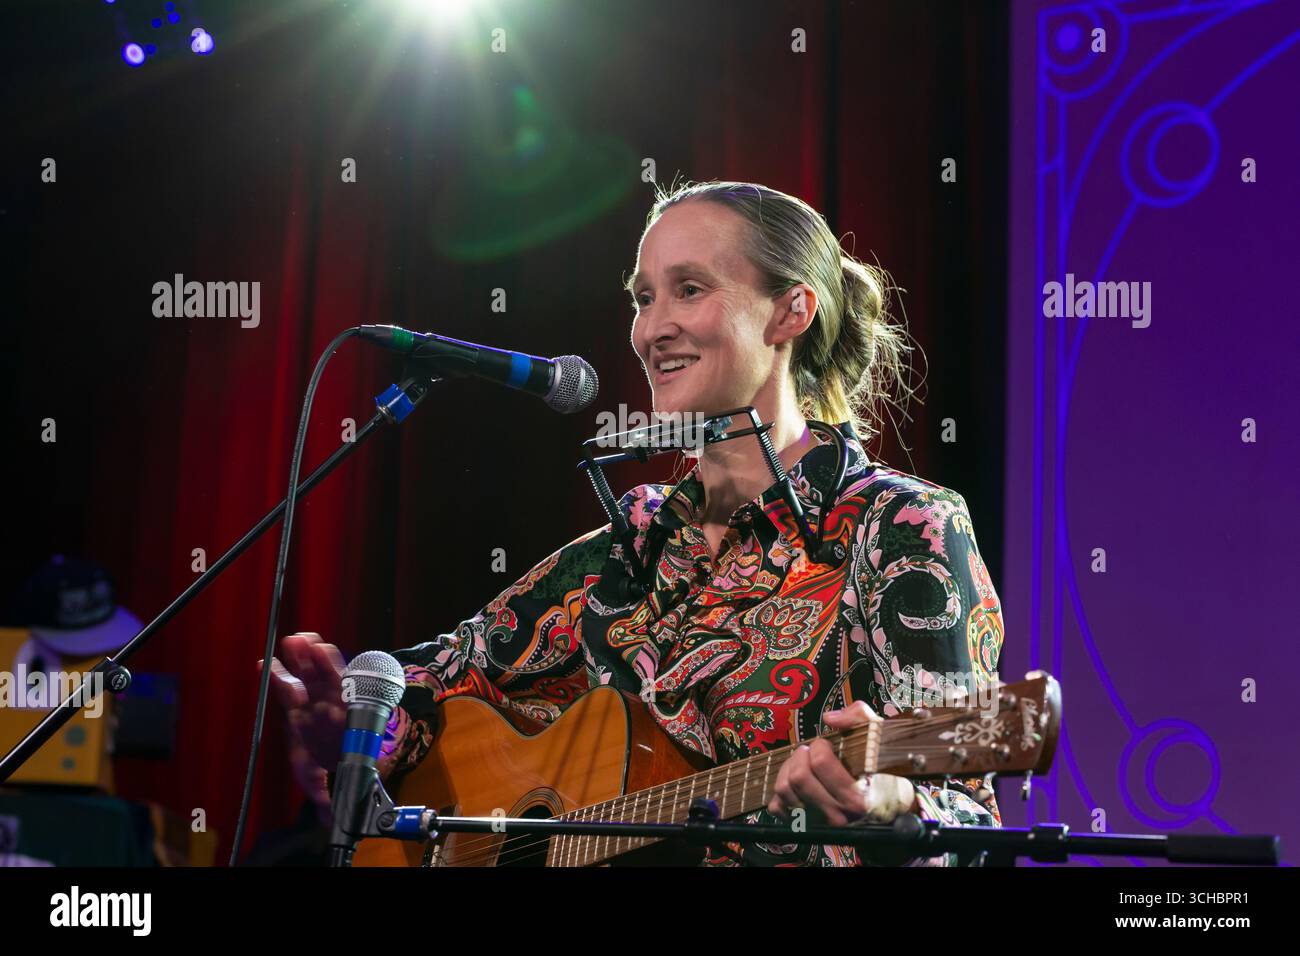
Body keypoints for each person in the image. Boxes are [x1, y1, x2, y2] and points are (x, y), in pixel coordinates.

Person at [263, 179, 1005, 866]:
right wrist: (359, 727)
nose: (653, 329)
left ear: (791, 312)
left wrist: (892, 804)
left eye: (689, 290)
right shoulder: (625, 548)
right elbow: (439, 684)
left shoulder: (903, 528)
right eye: (643, 298)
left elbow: (968, 819)